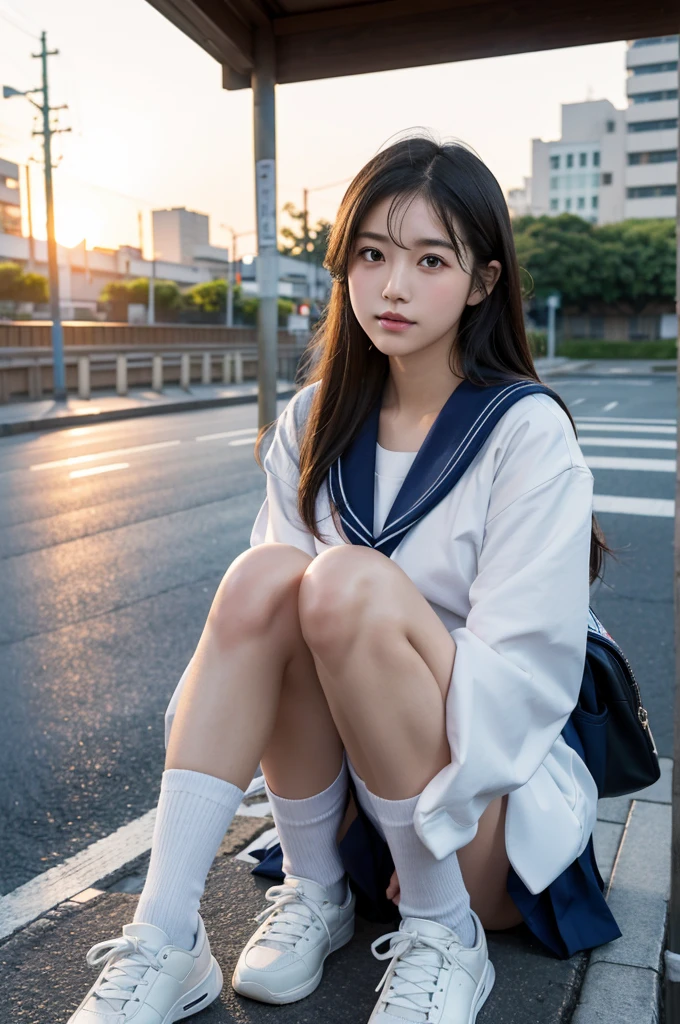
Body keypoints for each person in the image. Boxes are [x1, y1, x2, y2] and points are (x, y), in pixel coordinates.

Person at [67, 132, 621, 1024]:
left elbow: (529, 681)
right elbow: (253, 646)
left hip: (478, 815)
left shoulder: (527, 434)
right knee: (266, 579)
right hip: (341, 820)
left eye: (429, 260)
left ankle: (445, 937)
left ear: (482, 280)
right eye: (371, 254)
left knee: (344, 585)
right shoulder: (314, 418)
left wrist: (424, 824)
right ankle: (181, 932)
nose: (392, 286)